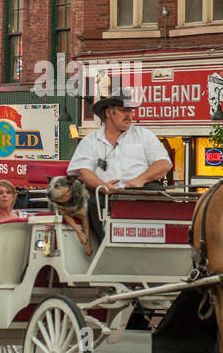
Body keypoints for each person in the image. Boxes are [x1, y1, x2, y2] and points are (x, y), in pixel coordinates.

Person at [66, 94, 172, 242]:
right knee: (91, 201)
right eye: (124, 110)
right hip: (105, 195)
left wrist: (140, 180)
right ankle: (103, 244)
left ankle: (159, 241)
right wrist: (102, 186)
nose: (129, 115)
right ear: (109, 113)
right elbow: (83, 171)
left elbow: (163, 164)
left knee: (159, 193)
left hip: (141, 191)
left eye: (131, 111)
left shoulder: (144, 136)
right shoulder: (90, 141)